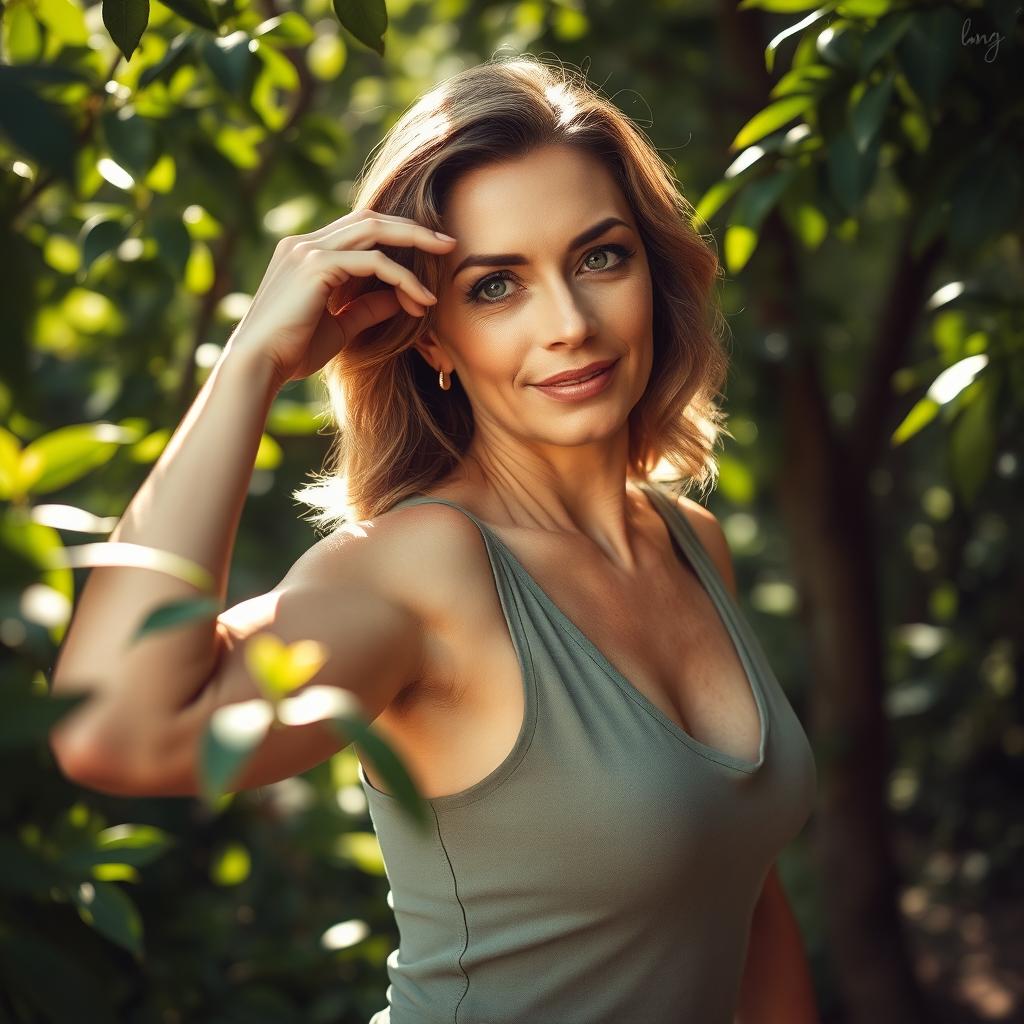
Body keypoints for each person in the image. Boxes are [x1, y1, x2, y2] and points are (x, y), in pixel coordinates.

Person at [49, 54, 819, 1024]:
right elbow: (113, 732)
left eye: (598, 257)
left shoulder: (688, 539)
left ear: (649, 272)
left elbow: (743, 900)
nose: (569, 324)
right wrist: (248, 366)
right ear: (432, 337)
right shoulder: (422, 568)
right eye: (496, 286)